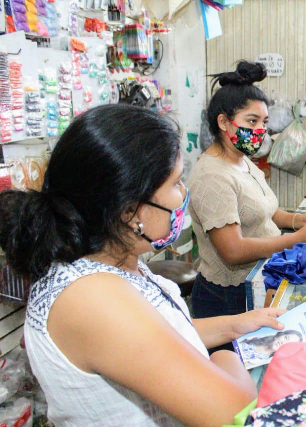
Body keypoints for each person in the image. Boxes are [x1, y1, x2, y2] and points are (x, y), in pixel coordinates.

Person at [0, 104, 287, 426]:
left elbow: (159, 334)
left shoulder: (108, 263)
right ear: (130, 211)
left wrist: (237, 325)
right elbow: (235, 412)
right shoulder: (93, 299)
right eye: (177, 183)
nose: (184, 195)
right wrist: (226, 355)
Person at [188, 61, 306, 328]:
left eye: (264, 122)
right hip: (228, 296)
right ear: (224, 123)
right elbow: (233, 250)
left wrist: (300, 220)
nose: (260, 130)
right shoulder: (212, 176)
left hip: (258, 279)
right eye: (252, 121)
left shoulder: (241, 160)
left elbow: (267, 210)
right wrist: (295, 240)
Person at [237, 330, 303, 364]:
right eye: (286, 338)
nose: (283, 343)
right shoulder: (256, 335)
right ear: (280, 335)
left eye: (289, 345)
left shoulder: (262, 362)